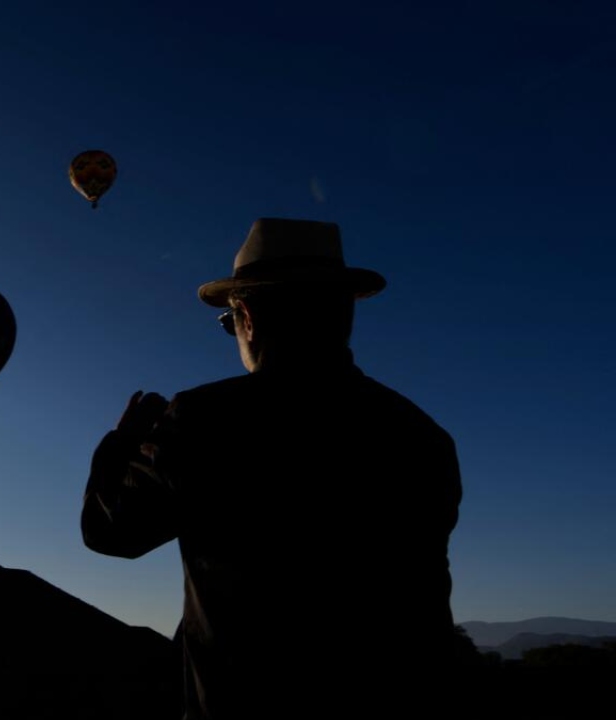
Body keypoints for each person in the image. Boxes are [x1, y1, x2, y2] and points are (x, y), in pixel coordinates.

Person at [81, 218, 463, 719]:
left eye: (228, 323)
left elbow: (112, 532)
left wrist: (121, 443)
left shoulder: (205, 419)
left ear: (248, 318)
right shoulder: (421, 434)